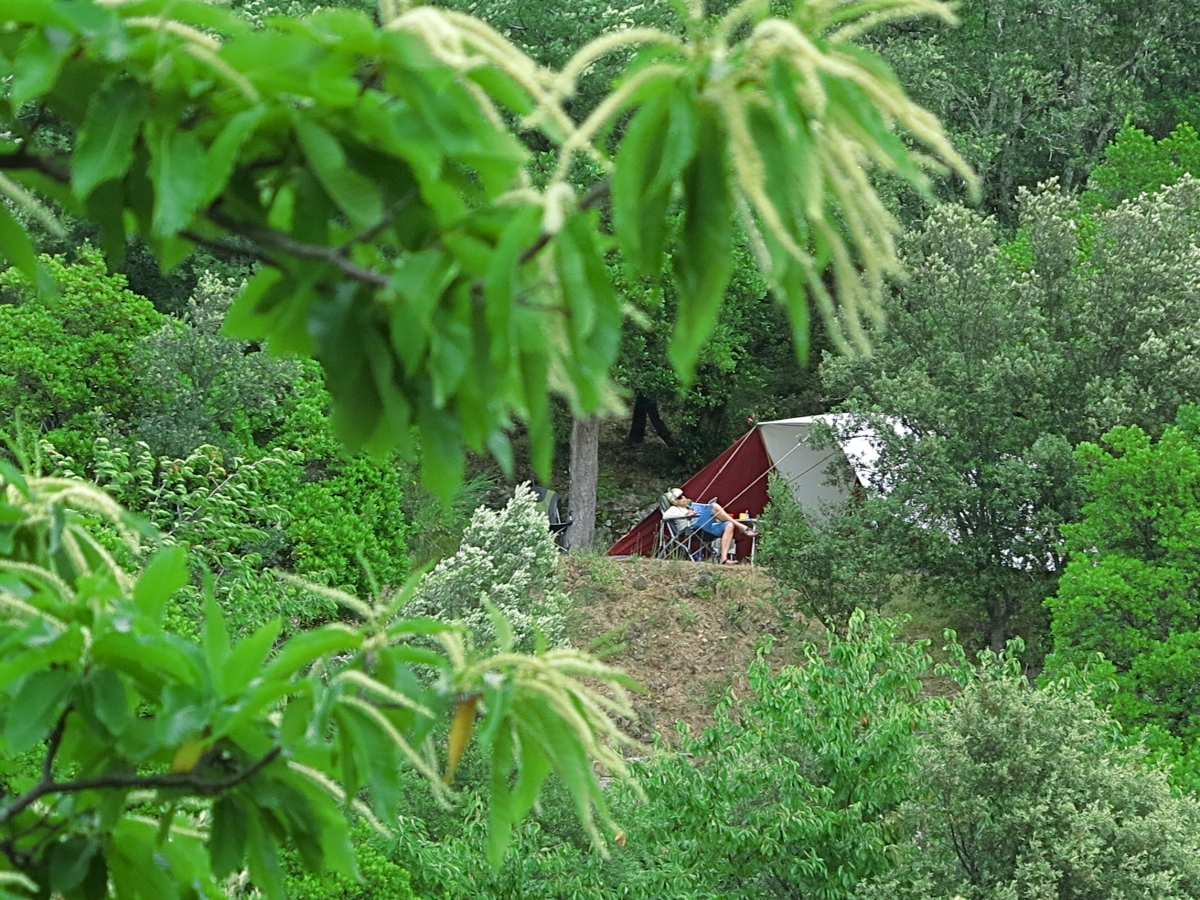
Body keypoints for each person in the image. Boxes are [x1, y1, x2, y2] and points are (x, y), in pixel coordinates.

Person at [663, 487, 757, 564]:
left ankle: (723, 559)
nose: (683, 498)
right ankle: (741, 527)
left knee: (729, 525)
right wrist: (685, 514)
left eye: (683, 496)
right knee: (714, 506)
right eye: (679, 498)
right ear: (674, 502)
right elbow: (665, 516)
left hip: (704, 528)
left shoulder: (690, 507)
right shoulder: (673, 509)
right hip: (692, 529)